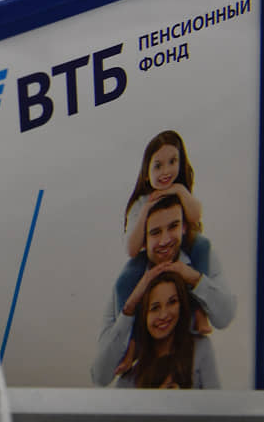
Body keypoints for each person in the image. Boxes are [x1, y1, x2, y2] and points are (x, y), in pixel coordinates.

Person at [91, 194, 235, 386]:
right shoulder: (126, 283)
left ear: (184, 227)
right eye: (155, 232)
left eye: (173, 226)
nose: (165, 240)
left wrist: (195, 279)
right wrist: (131, 307)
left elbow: (225, 318)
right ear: (143, 240)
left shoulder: (202, 259)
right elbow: (100, 377)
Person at [118, 131, 211, 335]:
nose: (166, 171)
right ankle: (130, 338)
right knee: (125, 278)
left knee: (202, 245)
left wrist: (178, 190)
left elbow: (195, 216)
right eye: (158, 166)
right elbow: (131, 250)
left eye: (172, 162)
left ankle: (200, 310)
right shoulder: (141, 203)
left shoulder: (180, 191)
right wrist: (146, 211)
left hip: (178, 251)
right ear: (146, 172)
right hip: (150, 256)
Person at [116, 271, 220, 388]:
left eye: (172, 302)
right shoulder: (130, 378)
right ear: (143, 315)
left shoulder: (200, 348)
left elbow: (215, 398)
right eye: (155, 308)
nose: (164, 315)